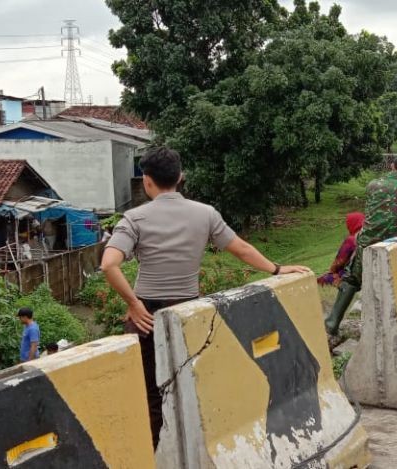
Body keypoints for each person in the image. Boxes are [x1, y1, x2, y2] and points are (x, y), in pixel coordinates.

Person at [100, 146, 310, 448]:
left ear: (147, 181)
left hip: (147, 316)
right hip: (190, 311)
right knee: (191, 386)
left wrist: (133, 304)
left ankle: (153, 454)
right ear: (180, 177)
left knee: (148, 395)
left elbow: (109, 264)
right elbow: (240, 248)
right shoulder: (205, 213)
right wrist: (277, 269)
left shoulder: (134, 218)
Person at [325, 156, 397, 341]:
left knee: (351, 279)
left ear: (392, 167)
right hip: (396, 246)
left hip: (367, 244)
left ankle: (332, 322)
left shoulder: (373, 185)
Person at [318, 213, 365, 287]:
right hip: (364, 271)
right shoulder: (367, 237)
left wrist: (331, 272)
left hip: (351, 274)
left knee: (322, 278)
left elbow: (339, 261)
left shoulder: (351, 239)